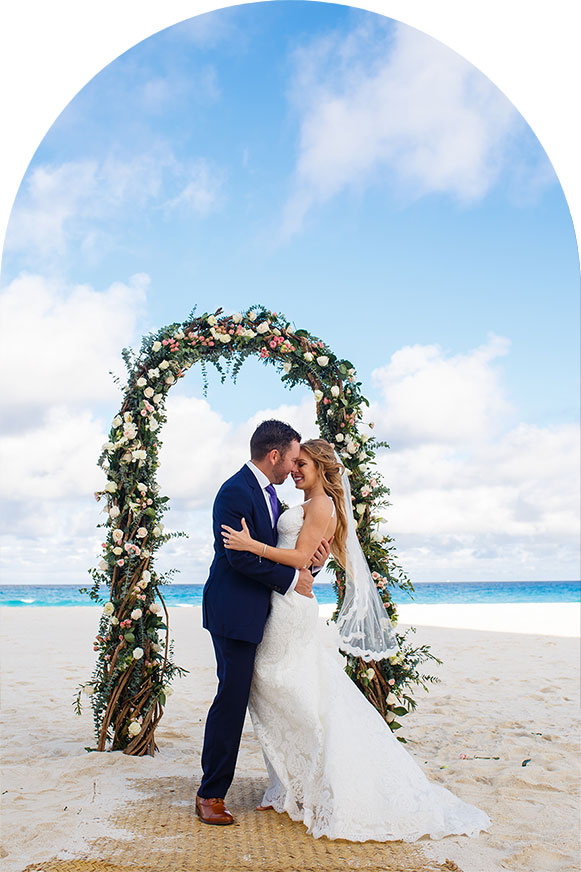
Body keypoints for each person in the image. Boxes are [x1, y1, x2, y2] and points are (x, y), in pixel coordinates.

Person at [221, 438, 492, 842]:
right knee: (277, 688)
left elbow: (297, 558)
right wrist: (313, 558)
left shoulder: (324, 505)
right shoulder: (302, 504)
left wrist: (250, 545)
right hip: (278, 602)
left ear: (322, 468)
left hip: (290, 607)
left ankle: (315, 780)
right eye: (295, 463)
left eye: (304, 465)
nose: (296, 470)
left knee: (290, 690)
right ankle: (288, 784)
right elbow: (305, 553)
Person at [196, 420, 331, 826]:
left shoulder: (272, 496)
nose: (293, 467)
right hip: (234, 612)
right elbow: (240, 558)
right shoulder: (235, 491)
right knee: (232, 699)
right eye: (292, 458)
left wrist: (310, 564)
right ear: (274, 455)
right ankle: (211, 794)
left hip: (266, 612)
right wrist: (294, 579)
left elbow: (282, 552)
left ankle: (291, 779)